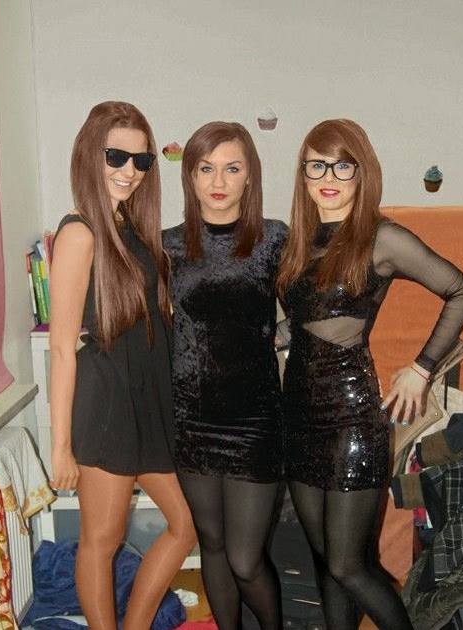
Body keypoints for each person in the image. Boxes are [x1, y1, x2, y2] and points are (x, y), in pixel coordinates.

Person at [277, 118, 463, 630]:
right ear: (303, 174)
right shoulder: (299, 241)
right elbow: (303, 323)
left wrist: (422, 368)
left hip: (351, 421)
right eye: (317, 165)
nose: (329, 177)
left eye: (342, 166)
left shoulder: (381, 237)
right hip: (297, 419)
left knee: (348, 565)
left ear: (362, 172)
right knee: (326, 565)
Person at [49, 101, 196, 630]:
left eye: (141, 161)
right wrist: (61, 446)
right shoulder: (80, 232)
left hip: (147, 404)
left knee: (185, 525)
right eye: (116, 156)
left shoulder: (132, 228)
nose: (129, 171)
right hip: (108, 404)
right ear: (91, 154)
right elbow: (62, 347)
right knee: (102, 539)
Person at [163, 121, 287, 630]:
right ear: (190, 177)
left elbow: (311, 307)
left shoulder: (274, 238)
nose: (218, 181)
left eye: (232, 168)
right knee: (211, 544)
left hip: (255, 420)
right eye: (206, 168)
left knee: (245, 559)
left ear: (249, 176)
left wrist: (280, 334)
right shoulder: (168, 246)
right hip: (192, 418)